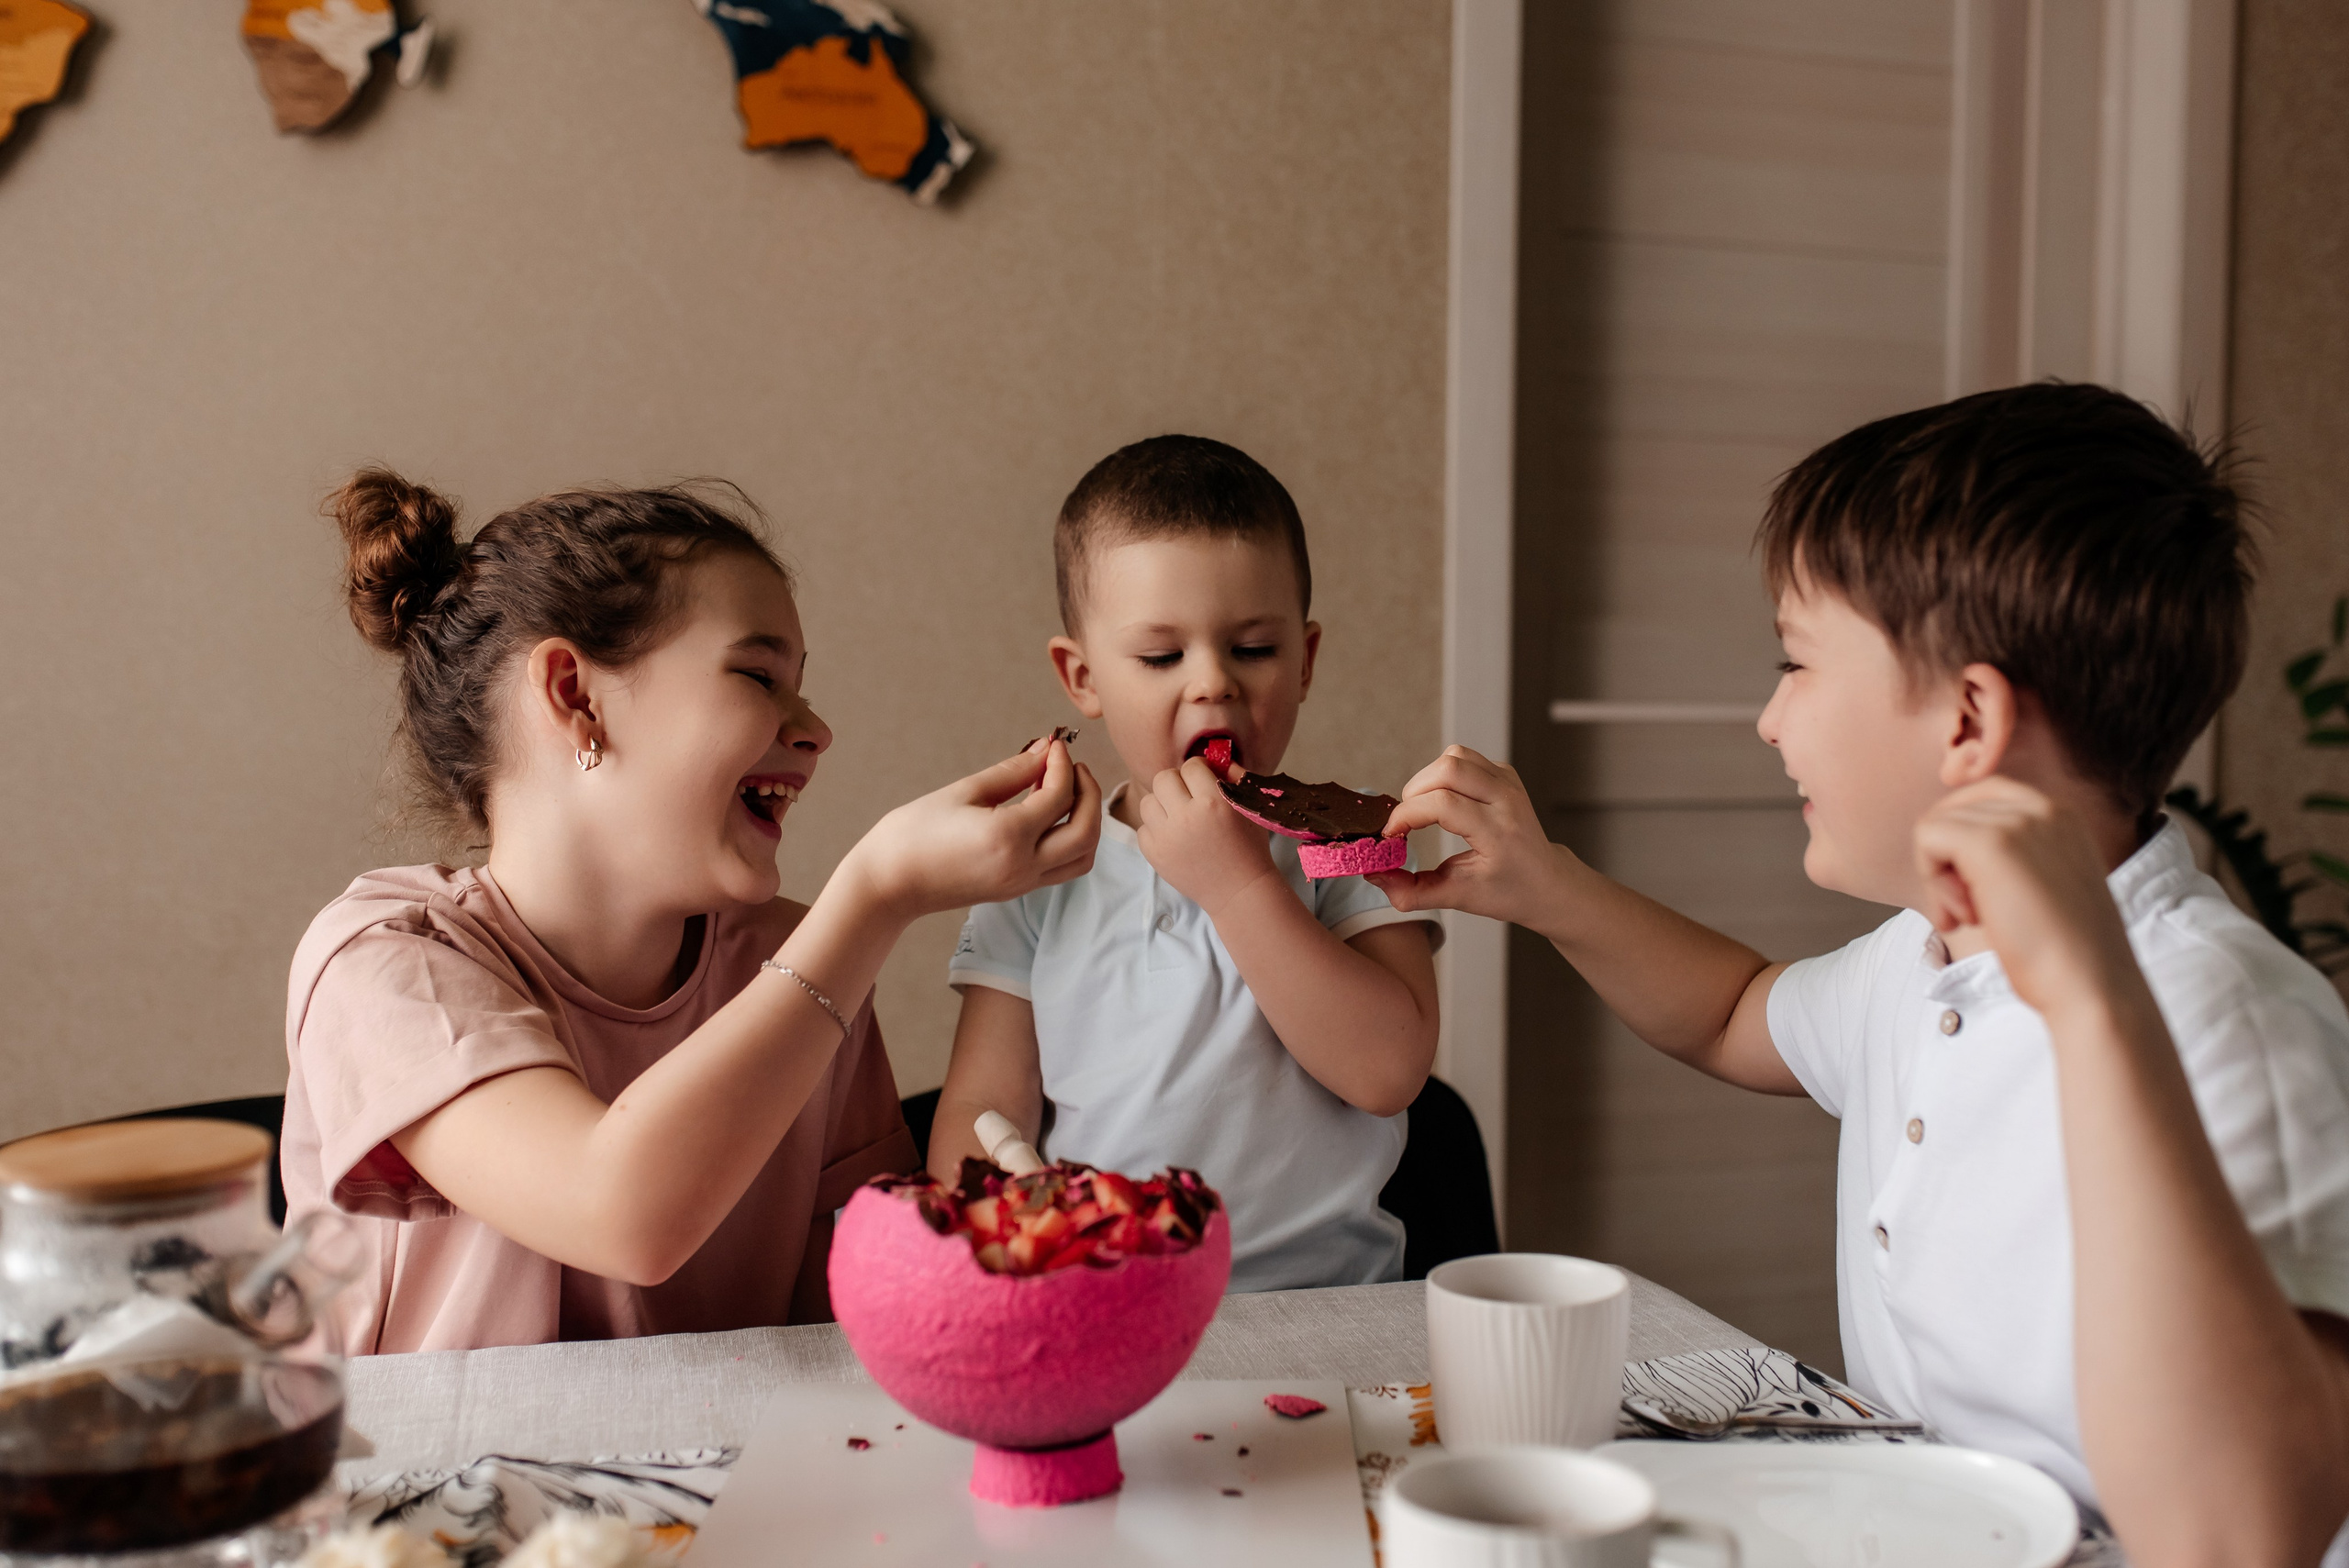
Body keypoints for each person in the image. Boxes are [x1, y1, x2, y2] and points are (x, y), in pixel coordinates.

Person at [1372, 384, 2349, 1566]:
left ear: (1968, 722)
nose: (1770, 720)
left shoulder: (2228, 1022)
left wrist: (2091, 1007)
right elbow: (1736, 1013)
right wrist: (1545, 885)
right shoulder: (1926, 952)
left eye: (1795, 663)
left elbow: (2241, 1539)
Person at [281, 472, 1099, 1353]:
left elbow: (869, 1314)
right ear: (573, 693)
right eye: (758, 674)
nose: (816, 728)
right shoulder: (382, 964)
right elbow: (620, 1214)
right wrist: (876, 898)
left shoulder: (796, 957)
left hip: (730, 1484)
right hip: (434, 1486)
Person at [927, 435, 1442, 1291]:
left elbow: (1387, 1071)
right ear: (1082, 676)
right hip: (1103, 1300)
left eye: (1253, 648)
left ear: (1306, 660)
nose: (1212, 683)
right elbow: (984, 1110)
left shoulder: (1347, 844)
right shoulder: (1038, 865)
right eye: (1162, 656)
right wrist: (989, 1256)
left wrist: (1238, 885)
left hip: (1331, 1309)